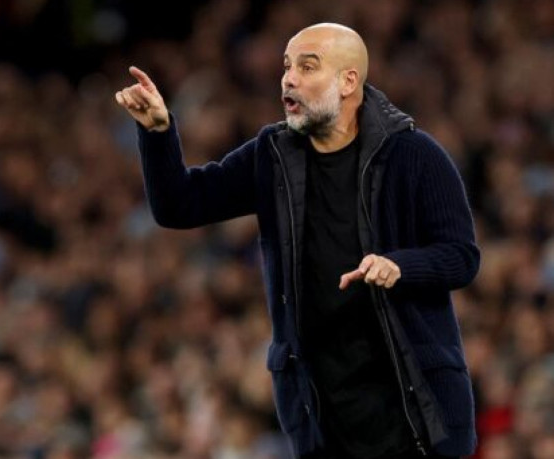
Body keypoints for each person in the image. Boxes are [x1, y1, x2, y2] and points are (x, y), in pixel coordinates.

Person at [115, 23, 480, 459]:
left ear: (349, 81)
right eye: (287, 67)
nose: (289, 78)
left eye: (308, 67)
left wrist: (401, 266)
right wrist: (158, 134)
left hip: (415, 409)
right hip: (322, 418)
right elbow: (180, 206)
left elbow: (462, 256)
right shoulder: (272, 156)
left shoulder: (415, 155)